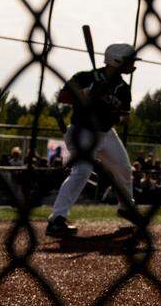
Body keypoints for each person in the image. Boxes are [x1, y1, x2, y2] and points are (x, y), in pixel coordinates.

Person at [46, 43, 144, 237]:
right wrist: (88, 93)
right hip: (81, 132)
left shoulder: (123, 89)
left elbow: (125, 118)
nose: (133, 65)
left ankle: (126, 207)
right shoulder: (86, 77)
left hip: (106, 134)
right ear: (117, 61)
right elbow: (62, 96)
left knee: (124, 169)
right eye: (130, 61)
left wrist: (115, 110)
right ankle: (57, 219)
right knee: (82, 170)